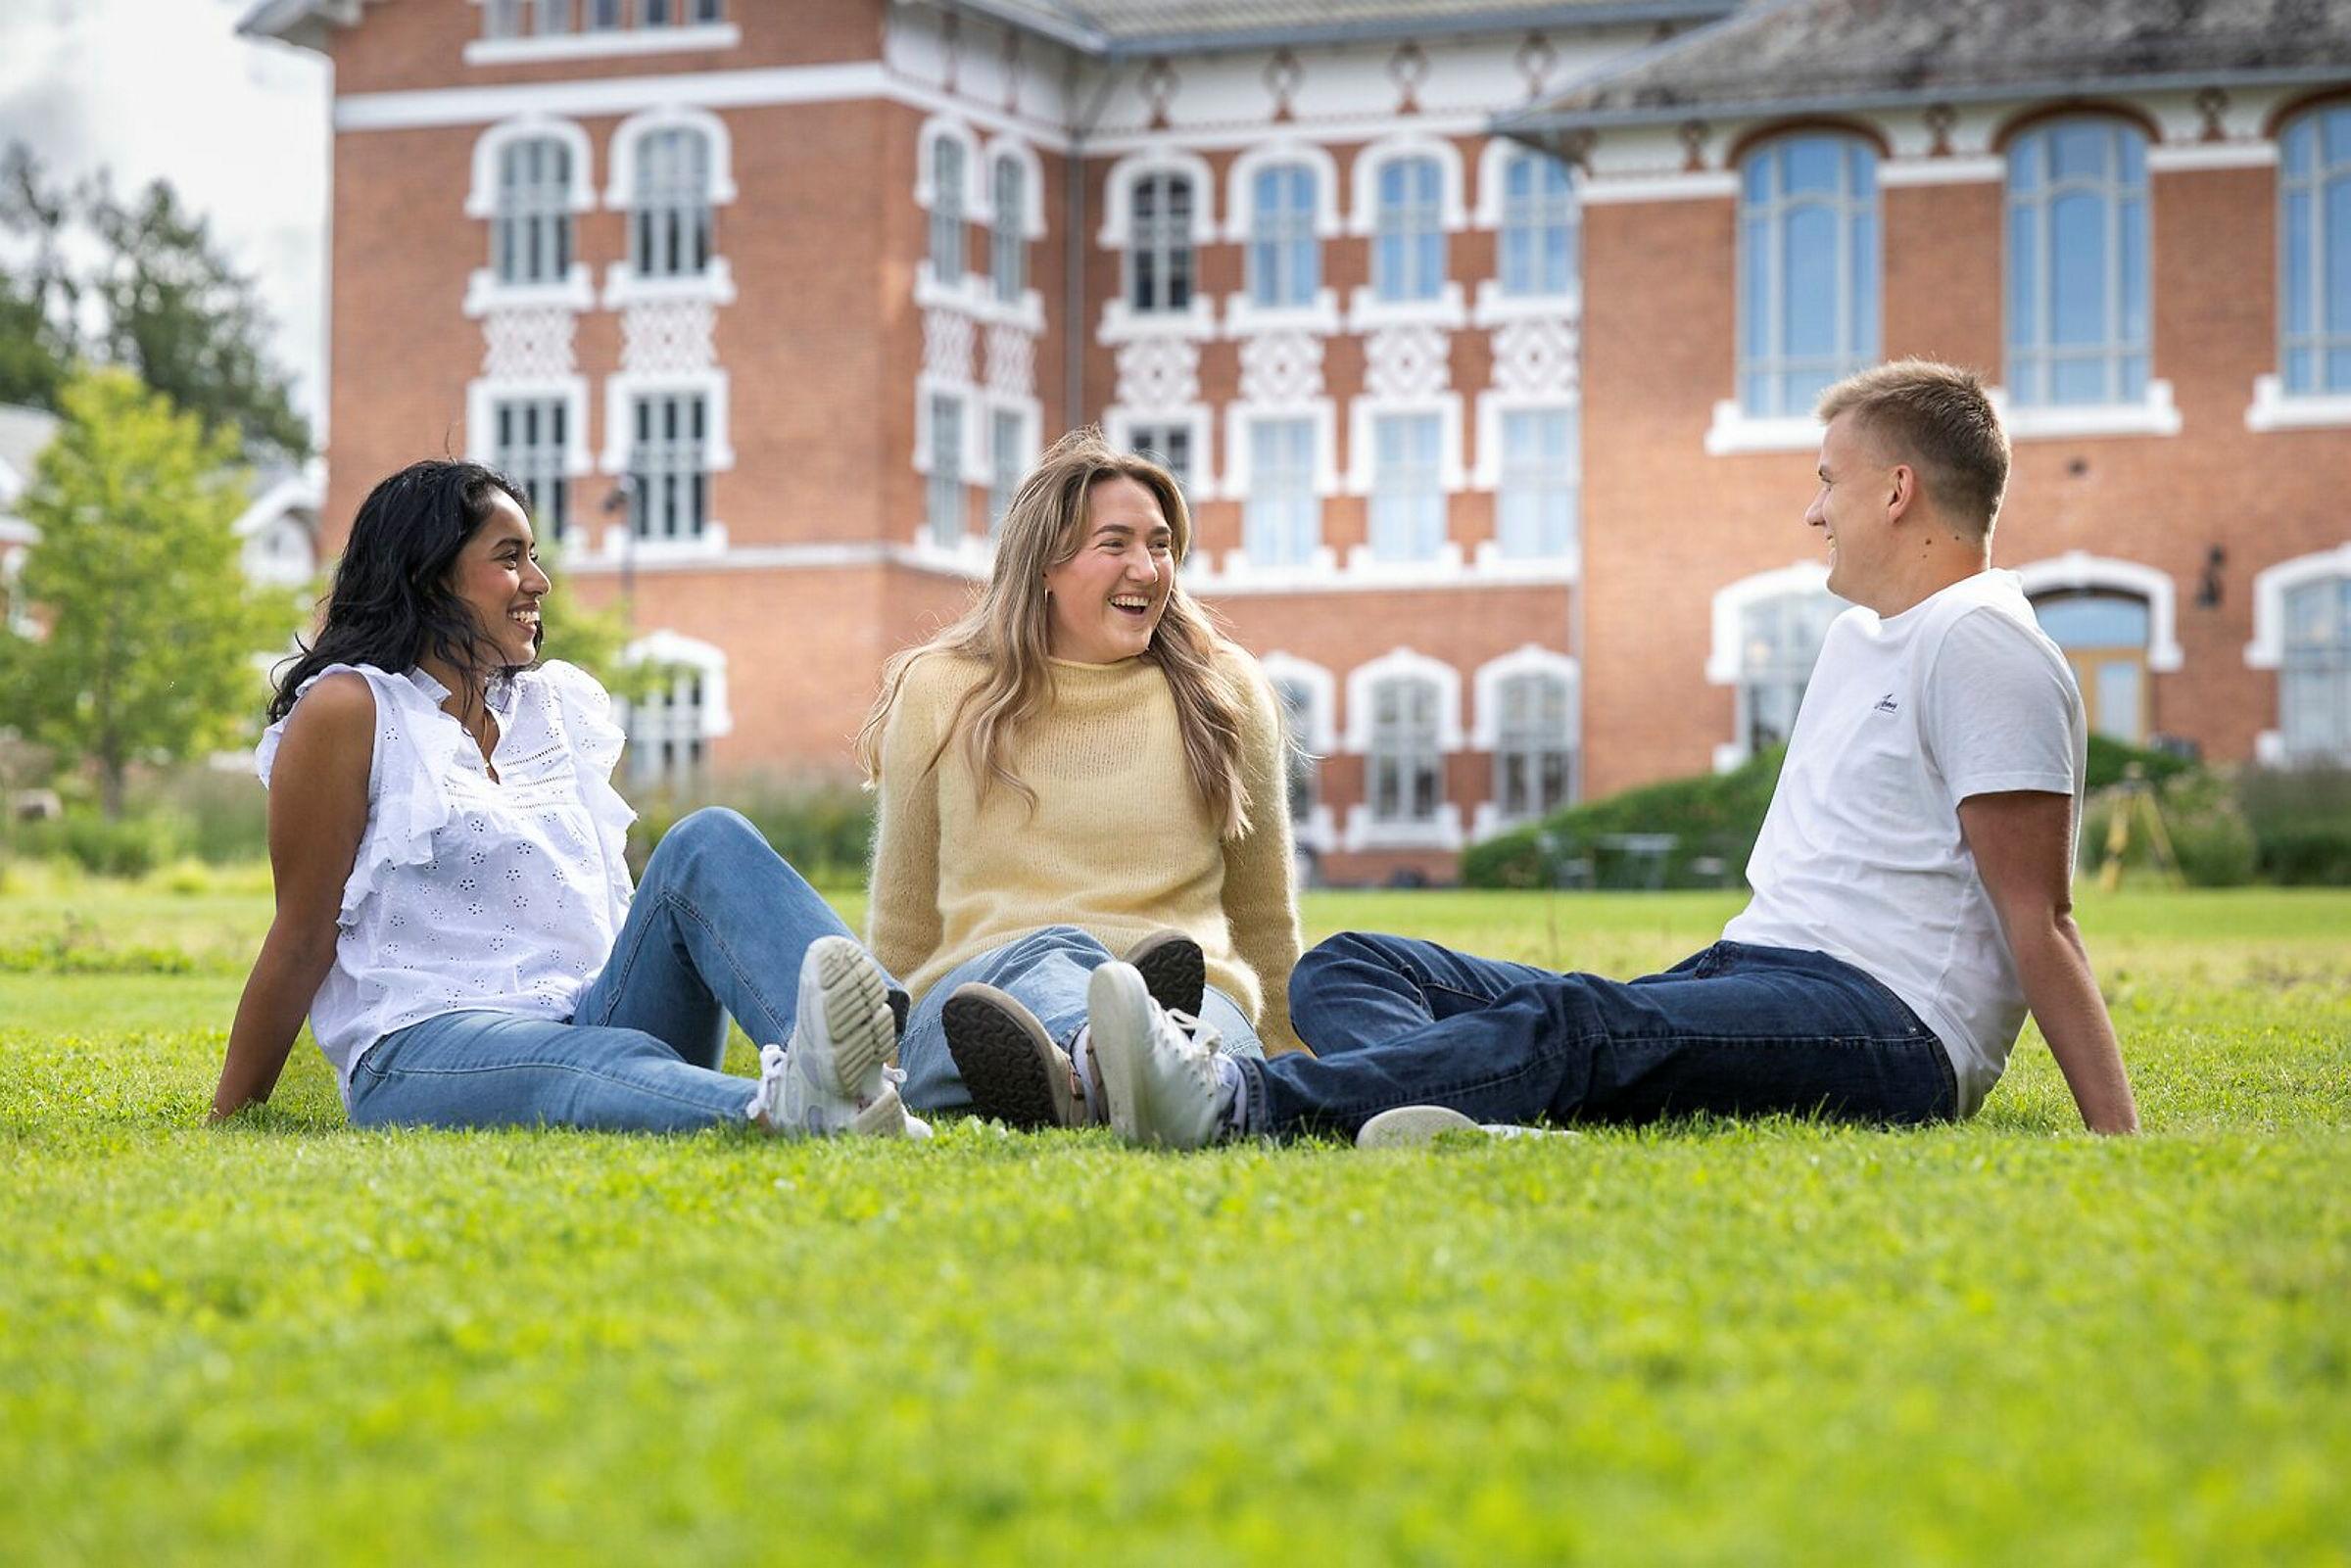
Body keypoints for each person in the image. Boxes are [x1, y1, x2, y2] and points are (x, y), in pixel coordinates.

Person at [1080, 359, 2141, 1148]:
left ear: (1898, 489)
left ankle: (1234, 1102)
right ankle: (1469, 1120)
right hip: (1760, 971)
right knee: (1356, 963)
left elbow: (2038, 915)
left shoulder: (1985, 644)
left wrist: (2120, 1141)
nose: (1814, 508)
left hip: (1892, 1025)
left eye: (1830, 480)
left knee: (1574, 1021)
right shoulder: (1863, 636)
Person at [209, 459, 924, 1139]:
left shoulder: (551, 706)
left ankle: (885, 1070)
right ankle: (797, 1109)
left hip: (595, 1011)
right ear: (429, 577)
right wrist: (230, 1116)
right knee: (593, 1067)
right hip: (426, 1043)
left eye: (534, 555)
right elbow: (302, 936)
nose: (539, 581)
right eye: (510, 557)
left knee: (706, 840)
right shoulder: (351, 709)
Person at [858, 429, 1303, 1128]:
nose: (1149, 569)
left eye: (1160, 545)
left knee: (1187, 1011)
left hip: (1194, 1003)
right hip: (988, 1000)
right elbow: (905, 916)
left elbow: (1263, 916)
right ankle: (1117, 1062)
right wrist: (876, 1063)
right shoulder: (944, 689)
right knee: (1055, 949)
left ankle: (1092, 1077)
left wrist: (1286, 1054)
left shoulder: (1225, 690)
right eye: (1116, 543)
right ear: (1045, 565)